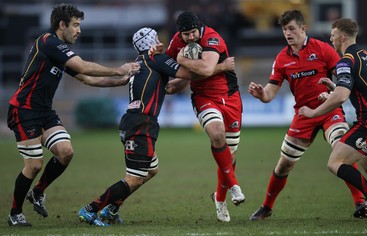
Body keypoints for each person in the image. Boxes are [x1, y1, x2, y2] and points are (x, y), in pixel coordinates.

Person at [77, 27, 234, 226]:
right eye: (157, 39)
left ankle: (112, 209)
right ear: (151, 41)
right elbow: (191, 73)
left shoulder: (140, 62)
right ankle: (90, 209)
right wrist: (221, 66)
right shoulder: (155, 59)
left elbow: (175, 83)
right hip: (141, 123)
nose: (161, 42)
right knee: (134, 178)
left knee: (150, 170)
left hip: (134, 121)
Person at [6, 3, 139, 227]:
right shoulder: (49, 42)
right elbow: (84, 67)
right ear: (61, 25)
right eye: (75, 25)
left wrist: (121, 81)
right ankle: (15, 213)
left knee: (65, 152)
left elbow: (88, 79)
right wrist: (119, 68)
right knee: (34, 165)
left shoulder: (58, 51)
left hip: (44, 112)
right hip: (24, 110)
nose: (79, 30)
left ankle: (38, 192)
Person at [247, 10, 365, 221]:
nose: (287, 33)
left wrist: (334, 91)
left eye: (291, 28)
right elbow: (269, 94)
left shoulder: (323, 49)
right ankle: (266, 206)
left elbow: (345, 79)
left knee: (341, 150)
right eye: (284, 30)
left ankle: (360, 201)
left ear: (303, 28)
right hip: (304, 115)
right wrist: (260, 94)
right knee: (284, 165)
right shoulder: (282, 58)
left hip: (329, 110)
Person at [299, 18, 367, 221]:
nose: (331, 38)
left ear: (342, 37)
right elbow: (362, 89)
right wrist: (334, 88)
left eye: (333, 34)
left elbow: (343, 96)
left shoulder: (346, 61)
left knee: (335, 162)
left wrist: (312, 112)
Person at [150, 11, 245, 222]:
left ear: (199, 28)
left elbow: (206, 68)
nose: (190, 38)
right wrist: (174, 82)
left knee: (230, 155)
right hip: (203, 97)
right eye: (186, 35)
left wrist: (182, 58)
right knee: (217, 134)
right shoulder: (176, 41)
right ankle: (234, 185)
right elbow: (173, 69)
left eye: (193, 33)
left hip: (230, 97)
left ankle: (219, 200)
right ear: (179, 33)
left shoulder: (212, 37)